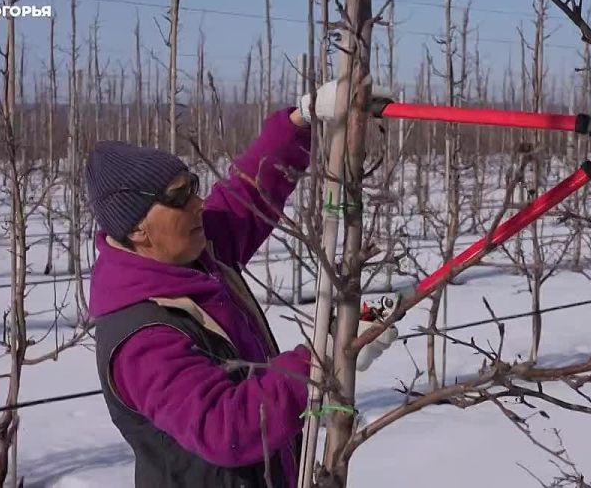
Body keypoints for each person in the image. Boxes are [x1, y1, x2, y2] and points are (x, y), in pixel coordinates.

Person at [84, 80, 398, 488]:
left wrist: (301, 118)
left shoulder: (194, 255)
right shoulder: (142, 336)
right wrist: (324, 359)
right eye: (180, 197)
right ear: (138, 229)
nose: (198, 203)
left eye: (193, 187)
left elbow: (248, 192)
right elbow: (228, 428)